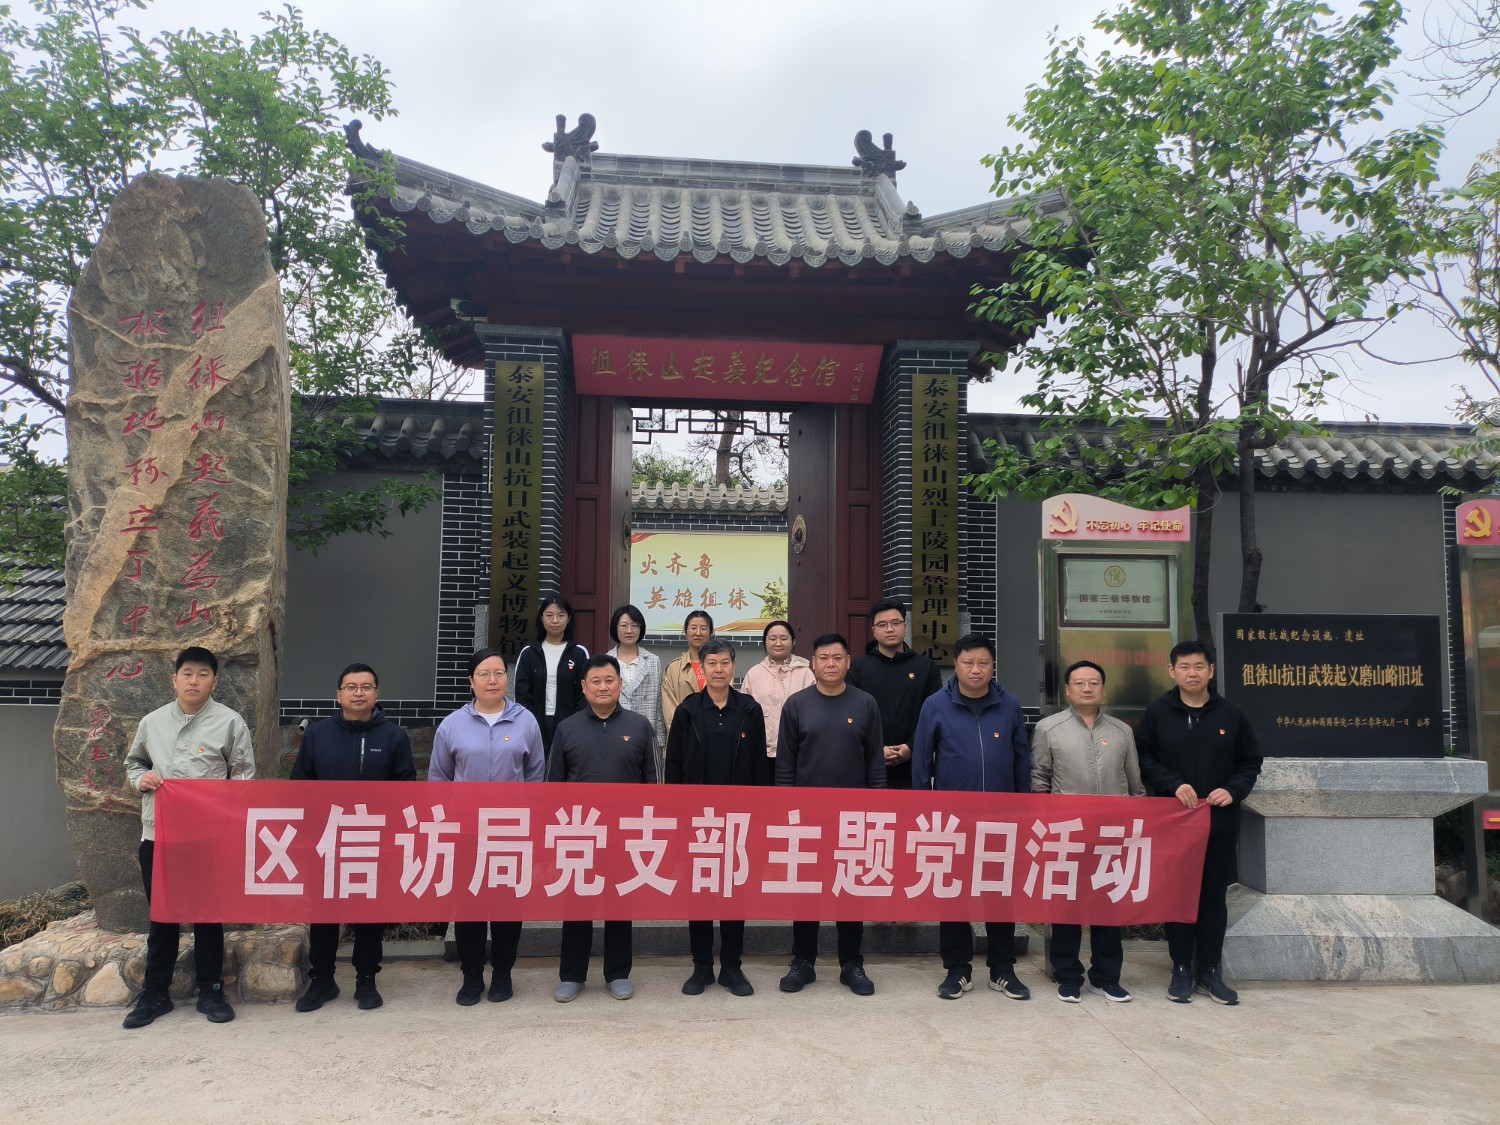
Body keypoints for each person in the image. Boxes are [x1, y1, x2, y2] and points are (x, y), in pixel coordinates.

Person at [121, 646, 254, 1029]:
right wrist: (140, 779)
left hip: (206, 839)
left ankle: (211, 989)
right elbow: (135, 762)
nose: (194, 681)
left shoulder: (230, 723)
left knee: (207, 916)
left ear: (214, 681)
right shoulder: (153, 722)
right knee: (162, 917)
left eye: (202, 674)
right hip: (159, 835)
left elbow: (242, 779)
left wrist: (225, 821)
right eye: (188, 673)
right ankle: (155, 994)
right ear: (175, 679)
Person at [1136, 640, 1262, 1006]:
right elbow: (1144, 757)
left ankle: (1209, 970)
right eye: (1184, 667)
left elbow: (1250, 761)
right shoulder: (1158, 712)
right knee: (1178, 895)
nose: (1192, 673)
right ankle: (1180, 968)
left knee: (1212, 896)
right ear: (1172, 671)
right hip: (1174, 822)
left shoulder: (1231, 714)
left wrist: (1233, 790)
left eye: (1199, 667)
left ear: (1211, 671)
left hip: (1218, 822)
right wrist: (1173, 784)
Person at [912, 633, 1032, 1002]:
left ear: (992, 665)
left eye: (982, 663)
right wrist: (925, 813)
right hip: (953, 821)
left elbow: (1021, 760)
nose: (975, 670)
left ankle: (1002, 969)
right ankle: (957, 969)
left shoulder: (1009, 704)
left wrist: (1022, 810)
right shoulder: (935, 705)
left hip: (1001, 820)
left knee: (1000, 894)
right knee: (954, 895)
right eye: (968, 663)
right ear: (956, 665)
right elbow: (922, 762)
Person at [290, 662, 417, 1013]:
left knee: (370, 913)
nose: (358, 693)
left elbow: (406, 791)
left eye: (366, 687)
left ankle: (366, 979)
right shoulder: (318, 735)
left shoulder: (394, 736)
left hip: (374, 840)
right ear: (339, 695)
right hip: (327, 840)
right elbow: (300, 787)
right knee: (324, 912)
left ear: (377, 693)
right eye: (351, 687)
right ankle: (322, 980)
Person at [429, 648, 545, 1006]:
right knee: (469, 907)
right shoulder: (452, 725)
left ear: (507, 679)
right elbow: (439, 779)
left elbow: (536, 776)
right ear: (471, 681)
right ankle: (471, 976)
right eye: (484, 674)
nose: (492, 680)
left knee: (508, 906)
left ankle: (503, 973)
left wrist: (530, 820)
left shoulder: (526, 721)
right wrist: (444, 825)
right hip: (467, 832)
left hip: (511, 832)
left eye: (498, 673)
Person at [776, 634, 885, 996]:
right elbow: (786, 765)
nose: (831, 664)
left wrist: (876, 811)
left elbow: (875, 764)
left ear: (848, 662)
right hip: (806, 818)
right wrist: (786, 813)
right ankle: (803, 961)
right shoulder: (797, 705)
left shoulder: (865, 703)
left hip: (853, 819)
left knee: (849, 890)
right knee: (806, 891)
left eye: (837, 657)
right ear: (812, 663)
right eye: (824, 658)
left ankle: (851, 963)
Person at [1031, 659, 1145, 1003]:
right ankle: (1067, 976)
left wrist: (1135, 824)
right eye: (1079, 683)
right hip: (1067, 833)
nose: (1086, 688)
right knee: (1067, 907)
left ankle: (1106, 977)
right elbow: (1039, 780)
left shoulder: (1122, 732)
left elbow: (1135, 785)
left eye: (1094, 683)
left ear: (1103, 690)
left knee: (1108, 907)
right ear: (1067, 690)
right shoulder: (1049, 729)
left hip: (1111, 834)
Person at [663, 639, 772, 997]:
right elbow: (674, 766)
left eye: (725, 663)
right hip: (698, 821)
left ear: (733, 667)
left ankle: (731, 967)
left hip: (739, 820)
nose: (719, 669)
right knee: (700, 893)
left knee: (734, 893)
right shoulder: (688, 710)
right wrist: (677, 815)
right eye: (712, 663)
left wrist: (760, 814)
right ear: (702, 669)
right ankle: (701, 967)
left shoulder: (749, 709)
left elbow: (759, 764)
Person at [547, 654, 657, 1001]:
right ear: (584, 687)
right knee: (576, 906)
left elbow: (654, 784)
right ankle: (572, 975)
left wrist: (649, 830)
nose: (603, 687)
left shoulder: (640, 726)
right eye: (595, 681)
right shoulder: (567, 728)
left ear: (620, 684)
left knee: (619, 905)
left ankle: (618, 973)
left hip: (625, 834)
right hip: (579, 833)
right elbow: (553, 786)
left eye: (610, 680)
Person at [849, 598, 941, 789]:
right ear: (874, 630)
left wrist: (911, 747)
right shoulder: (858, 668)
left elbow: (935, 715)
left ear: (905, 626)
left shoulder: (926, 668)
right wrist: (877, 748)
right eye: (882, 625)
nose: (889, 629)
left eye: (895, 623)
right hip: (868, 764)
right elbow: (851, 714)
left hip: (913, 765)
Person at [514, 595, 589, 754]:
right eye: (549, 615)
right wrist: (528, 721)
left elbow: (584, 693)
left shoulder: (579, 653)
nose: (555, 620)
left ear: (568, 618)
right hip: (535, 723)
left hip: (569, 724)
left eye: (561, 615)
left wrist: (577, 722)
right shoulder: (529, 653)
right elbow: (521, 693)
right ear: (541, 618)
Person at [740, 619, 814, 761]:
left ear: (793, 642)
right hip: (761, 752)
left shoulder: (805, 674)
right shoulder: (754, 674)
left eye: (784, 638)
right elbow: (744, 715)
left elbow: (812, 713)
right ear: (765, 642)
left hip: (798, 751)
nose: (778, 643)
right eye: (773, 639)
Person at [606, 604, 666, 776]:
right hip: (613, 731)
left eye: (634, 625)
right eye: (624, 625)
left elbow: (658, 702)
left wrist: (660, 740)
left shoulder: (653, 660)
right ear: (615, 628)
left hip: (645, 732)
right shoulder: (606, 661)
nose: (629, 630)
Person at [660, 609, 713, 735]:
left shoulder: (721, 667)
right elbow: (670, 710)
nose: (698, 633)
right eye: (693, 628)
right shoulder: (673, 668)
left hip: (715, 734)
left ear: (710, 632)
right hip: (684, 736)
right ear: (685, 632)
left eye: (703, 628)